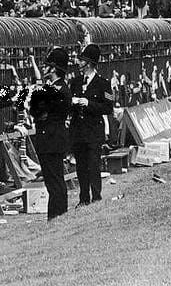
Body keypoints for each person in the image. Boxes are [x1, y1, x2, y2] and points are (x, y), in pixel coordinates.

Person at [28, 48, 72, 220]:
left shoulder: (58, 90)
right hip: (51, 137)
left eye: (47, 66)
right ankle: (57, 214)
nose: (44, 68)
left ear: (53, 69)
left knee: (54, 181)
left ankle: (56, 215)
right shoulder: (56, 88)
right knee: (54, 180)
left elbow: (36, 110)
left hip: (51, 138)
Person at [69, 44, 113, 206]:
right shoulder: (75, 82)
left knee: (94, 164)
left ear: (88, 63)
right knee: (81, 165)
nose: (78, 63)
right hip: (78, 130)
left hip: (94, 129)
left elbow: (108, 108)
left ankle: (96, 196)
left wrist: (89, 103)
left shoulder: (104, 84)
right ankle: (83, 197)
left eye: (81, 60)